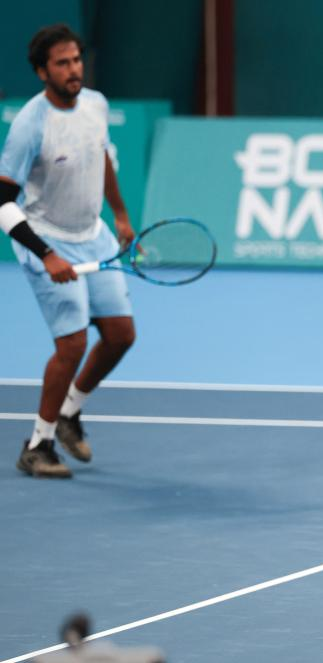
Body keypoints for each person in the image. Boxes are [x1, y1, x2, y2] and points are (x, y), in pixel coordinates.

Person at [0, 24, 136, 479]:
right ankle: (36, 446)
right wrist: (46, 255)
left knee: (120, 335)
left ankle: (69, 413)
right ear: (43, 72)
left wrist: (119, 214)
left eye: (76, 60)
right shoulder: (30, 124)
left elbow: (102, 161)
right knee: (73, 343)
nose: (73, 69)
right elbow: (1, 200)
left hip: (92, 233)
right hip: (48, 239)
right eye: (62, 63)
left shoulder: (95, 104)